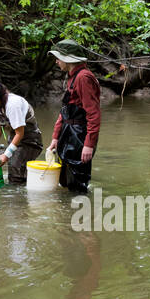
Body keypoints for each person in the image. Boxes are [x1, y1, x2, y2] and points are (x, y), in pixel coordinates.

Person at [47, 40, 101, 193]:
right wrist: (56, 138)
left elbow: (93, 113)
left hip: (79, 136)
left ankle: (82, 213)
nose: (56, 61)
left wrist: (88, 144)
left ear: (68, 58)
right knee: (66, 179)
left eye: (58, 57)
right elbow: (64, 110)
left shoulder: (83, 78)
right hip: (68, 132)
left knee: (78, 182)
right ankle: (69, 212)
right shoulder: (72, 76)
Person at [0, 76, 43, 184]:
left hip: (30, 140)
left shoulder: (13, 104)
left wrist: (6, 154)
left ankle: (18, 196)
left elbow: (20, 132)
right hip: (15, 138)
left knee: (15, 172)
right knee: (14, 169)